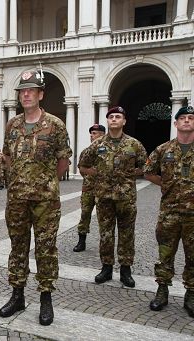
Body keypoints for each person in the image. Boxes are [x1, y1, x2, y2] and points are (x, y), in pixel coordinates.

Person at [0, 69, 71, 326]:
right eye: (22, 91)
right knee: (17, 247)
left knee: (46, 249)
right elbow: (7, 157)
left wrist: (46, 181)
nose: (26, 94)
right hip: (17, 198)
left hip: (45, 201)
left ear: (41, 94)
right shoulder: (13, 125)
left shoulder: (55, 125)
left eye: (31, 90)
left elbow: (64, 161)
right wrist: (22, 179)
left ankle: (45, 299)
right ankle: (17, 295)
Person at [78, 106, 147, 288]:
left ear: (124, 121)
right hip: (104, 197)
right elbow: (83, 165)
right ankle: (106, 268)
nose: (114, 119)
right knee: (106, 234)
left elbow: (146, 165)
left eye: (118, 117)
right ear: (108, 121)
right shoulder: (97, 145)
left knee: (127, 234)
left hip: (126, 198)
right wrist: (96, 174)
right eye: (111, 117)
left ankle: (126, 270)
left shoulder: (134, 144)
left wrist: (134, 173)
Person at [145, 106, 194, 316]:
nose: (186, 121)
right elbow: (148, 171)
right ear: (175, 124)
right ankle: (162, 290)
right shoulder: (163, 149)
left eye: (191, 118)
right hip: (170, 213)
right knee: (165, 254)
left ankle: (191, 293)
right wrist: (165, 183)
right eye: (182, 118)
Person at [73, 124, 106, 252]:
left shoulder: (108, 151)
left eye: (95, 133)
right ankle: (81, 242)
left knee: (104, 217)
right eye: (91, 133)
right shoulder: (86, 151)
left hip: (104, 189)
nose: (92, 136)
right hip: (88, 189)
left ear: (102, 134)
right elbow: (81, 169)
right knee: (85, 214)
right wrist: (89, 178)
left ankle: (105, 244)